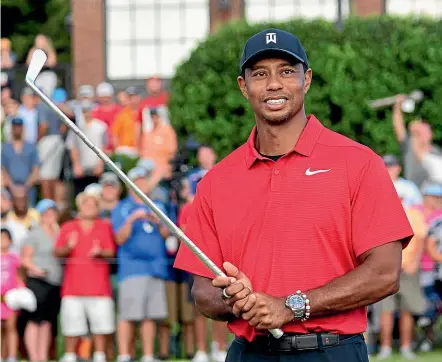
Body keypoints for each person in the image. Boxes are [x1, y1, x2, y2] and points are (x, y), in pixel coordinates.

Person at [174, 28, 414, 362]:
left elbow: (385, 273)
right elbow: (202, 292)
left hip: (332, 352)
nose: (274, 84)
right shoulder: (216, 181)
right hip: (248, 353)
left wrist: (291, 307)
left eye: (287, 71)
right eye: (260, 74)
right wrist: (237, 301)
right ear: (244, 87)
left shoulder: (358, 162)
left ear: (307, 79)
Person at [111, 167, 170, 362]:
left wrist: (158, 221)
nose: (141, 184)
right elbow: (119, 238)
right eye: (137, 181)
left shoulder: (159, 205)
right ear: (130, 185)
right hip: (132, 269)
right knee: (128, 315)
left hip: (156, 268)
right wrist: (132, 219)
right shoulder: (122, 207)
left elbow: (168, 236)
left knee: (150, 315)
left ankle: (147, 355)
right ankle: (124, 355)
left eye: (144, 180)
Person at [55, 189, 116, 362]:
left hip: (99, 288)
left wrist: (100, 252)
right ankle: (69, 355)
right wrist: (68, 246)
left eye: (93, 204)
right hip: (73, 287)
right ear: (79, 206)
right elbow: (57, 251)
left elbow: (111, 251)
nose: (89, 207)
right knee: (71, 326)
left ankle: (99, 355)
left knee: (102, 326)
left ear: (97, 207)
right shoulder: (68, 227)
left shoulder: (104, 226)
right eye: (86, 204)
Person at [377, 206, 427, 360]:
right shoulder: (381, 213)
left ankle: (406, 347)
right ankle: (385, 348)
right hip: (387, 269)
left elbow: (421, 239)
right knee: (386, 311)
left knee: (408, 310)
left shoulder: (413, 214)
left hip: (408, 268)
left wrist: (415, 263)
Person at [21, 199, 62, 362]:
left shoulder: (59, 232)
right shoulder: (34, 233)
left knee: (47, 321)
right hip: (38, 282)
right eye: (47, 212)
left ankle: (43, 356)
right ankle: (34, 356)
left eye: (53, 212)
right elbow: (25, 258)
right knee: (34, 320)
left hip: (55, 282)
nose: (50, 215)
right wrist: (37, 270)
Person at [392, 95, 441, 188]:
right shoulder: (409, 145)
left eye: (424, 132)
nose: (423, 136)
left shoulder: (436, 152)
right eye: (420, 133)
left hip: (432, 195)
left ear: (430, 134)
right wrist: (397, 108)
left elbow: (421, 155)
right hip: (413, 195)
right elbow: (398, 128)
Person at [66, 100, 107, 197]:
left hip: (95, 167)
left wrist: (100, 165)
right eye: (84, 110)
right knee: (80, 196)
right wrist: (76, 165)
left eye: (88, 110)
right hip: (81, 168)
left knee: (97, 195)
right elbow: (72, 147)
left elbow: (103, 147)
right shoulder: (76, 127)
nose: (86, 113)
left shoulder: (101, 126)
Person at [1, 117, 40, 206]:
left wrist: (25, 187)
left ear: (23, 128)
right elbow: (4, 170)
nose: (17, 129)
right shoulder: (6, 147)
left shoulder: (31, 147)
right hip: (10, 189)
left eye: (19, 127)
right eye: (15, 127)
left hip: (28, 189)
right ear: (12, 128)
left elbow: (36, 169)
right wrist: (13, 188)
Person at [37, 88, 68, 201]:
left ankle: (48, 205)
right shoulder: (55, 104)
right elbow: (65, 123)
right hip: (58, 140)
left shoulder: (42, 105)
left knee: (45, 176)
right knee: (54, 177)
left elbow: (44, 126)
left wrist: (38, 140)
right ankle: (55, 206)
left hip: (47, 140)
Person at [1, 227, 23, 362]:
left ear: (10, 241)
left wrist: (21, 292)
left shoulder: (14, 258)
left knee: (11, 328)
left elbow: (20, 277)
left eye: (5, 238)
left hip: (11, 299)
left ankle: (12, 356)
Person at [139, 108, 177, 173]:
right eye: (152, 116)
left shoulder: (167, 130)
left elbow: (172, 152)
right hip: (146, 163)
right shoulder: (148, 132)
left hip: (161, 164)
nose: (154, 118)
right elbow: (143, 150)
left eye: (156, 116)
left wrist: (168, 166)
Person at [112, 86, 141, 158]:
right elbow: (114, 135)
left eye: (135, 96)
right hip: (125, 149)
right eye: (130, 97)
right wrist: (117, 149)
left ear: (139, 97)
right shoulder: (122, 115)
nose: (133, 99)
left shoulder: (144, 112)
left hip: (141, 150)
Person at [92, 82, 122, 152]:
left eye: (107, 97)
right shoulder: (95, 112)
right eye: (103, 97)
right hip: (100, 148)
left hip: (117, 147)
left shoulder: (119, 110)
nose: (105, 99)